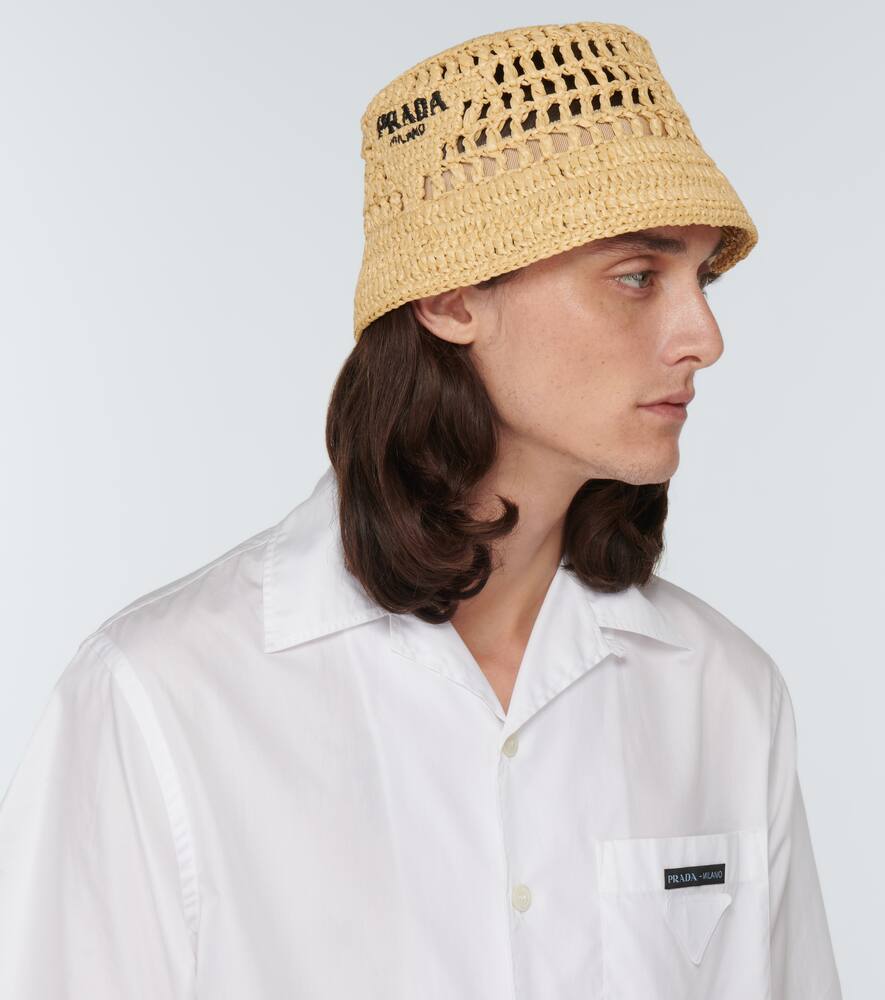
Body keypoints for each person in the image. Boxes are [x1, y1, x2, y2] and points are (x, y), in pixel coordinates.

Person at [0, 20, 842, 1000]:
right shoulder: (166, 696)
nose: (703, 336)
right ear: (449, 298)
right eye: (636, 277)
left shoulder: (723, 695)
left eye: (702, 279)